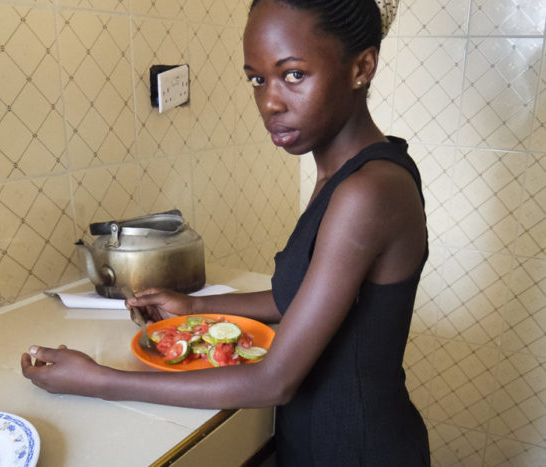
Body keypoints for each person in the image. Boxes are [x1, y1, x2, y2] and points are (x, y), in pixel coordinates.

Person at [21, 0, 430, 464]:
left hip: (356, 447)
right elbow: (298, 297)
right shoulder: (343, 174)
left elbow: (274, 380)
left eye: (293, 74)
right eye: (257, 79)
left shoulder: (368, 192)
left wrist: (99, 381)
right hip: (318, 437)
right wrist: (194, 307)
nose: (270, 103)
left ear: (362, 67)